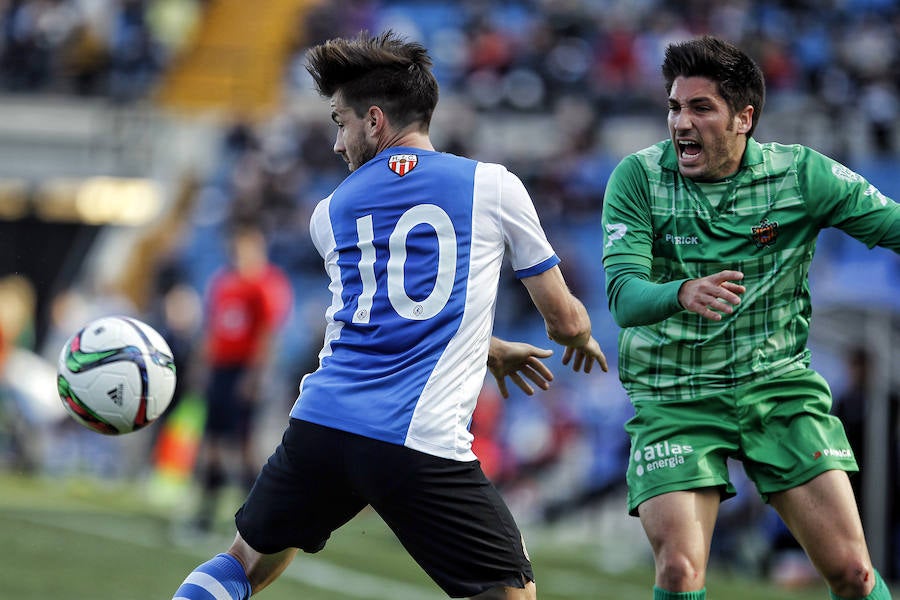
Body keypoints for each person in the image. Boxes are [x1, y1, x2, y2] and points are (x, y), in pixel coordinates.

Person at [172, 30, 607, 600]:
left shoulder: (329, 213)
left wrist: (488, 346)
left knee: (246, 563)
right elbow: (563, 323)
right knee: (510, 594)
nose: (335, 142)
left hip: (321, 425)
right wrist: (580, 330)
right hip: (415, 438)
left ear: (375, 121)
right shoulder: (493, 186)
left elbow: (383, 311)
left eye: (339, 121)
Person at [601, 35, 899, 600]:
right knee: (679, 571)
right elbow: (622, 294)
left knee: (855, 574)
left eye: (699, 108)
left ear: (744, 118)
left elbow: (894, 226)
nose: (680, 123)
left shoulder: (801, 176)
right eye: (674, 107)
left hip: (778, 389)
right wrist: (681, 291)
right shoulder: (637, 178)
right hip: (676, 396)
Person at [192, 220, 293, 532]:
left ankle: (257, 515)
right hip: (221, 368)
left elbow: (268, 333)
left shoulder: (267, 283)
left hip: (244, 368)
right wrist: (202, 366)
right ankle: (204, 514)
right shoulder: (223, 281)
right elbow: (214, 328)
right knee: (211, 440)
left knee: (244, 443)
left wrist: (255, 374)